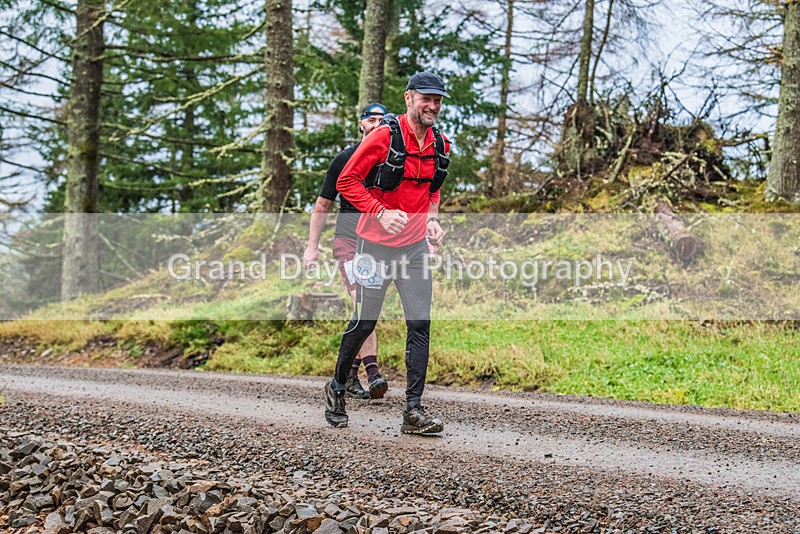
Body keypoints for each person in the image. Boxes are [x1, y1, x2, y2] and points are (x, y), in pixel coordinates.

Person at [324, 72, 451, 434]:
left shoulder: (441, 145)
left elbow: (432, 191)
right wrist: (380, 211)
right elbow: (347, 181)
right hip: (374, 246)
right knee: (365, 322)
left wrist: (432, 223)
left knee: (420, 324)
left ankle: (413, 411)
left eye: (438, 100)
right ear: (409, 98)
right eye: (426, 98)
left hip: (412, 249)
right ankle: (337, 388)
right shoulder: (384, 136)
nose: (432, 105)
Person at [303, 103, 390, 400]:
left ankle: (348, 376)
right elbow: (322, 206)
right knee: (363, 302)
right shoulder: (344, 158)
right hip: (349, 242)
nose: (377, 124)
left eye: (382, 120)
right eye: (371, 120)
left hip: (378, 244)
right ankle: (373, 372)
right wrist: (311, 248)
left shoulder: (390, 162)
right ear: (361, 124)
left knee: (367, 310)